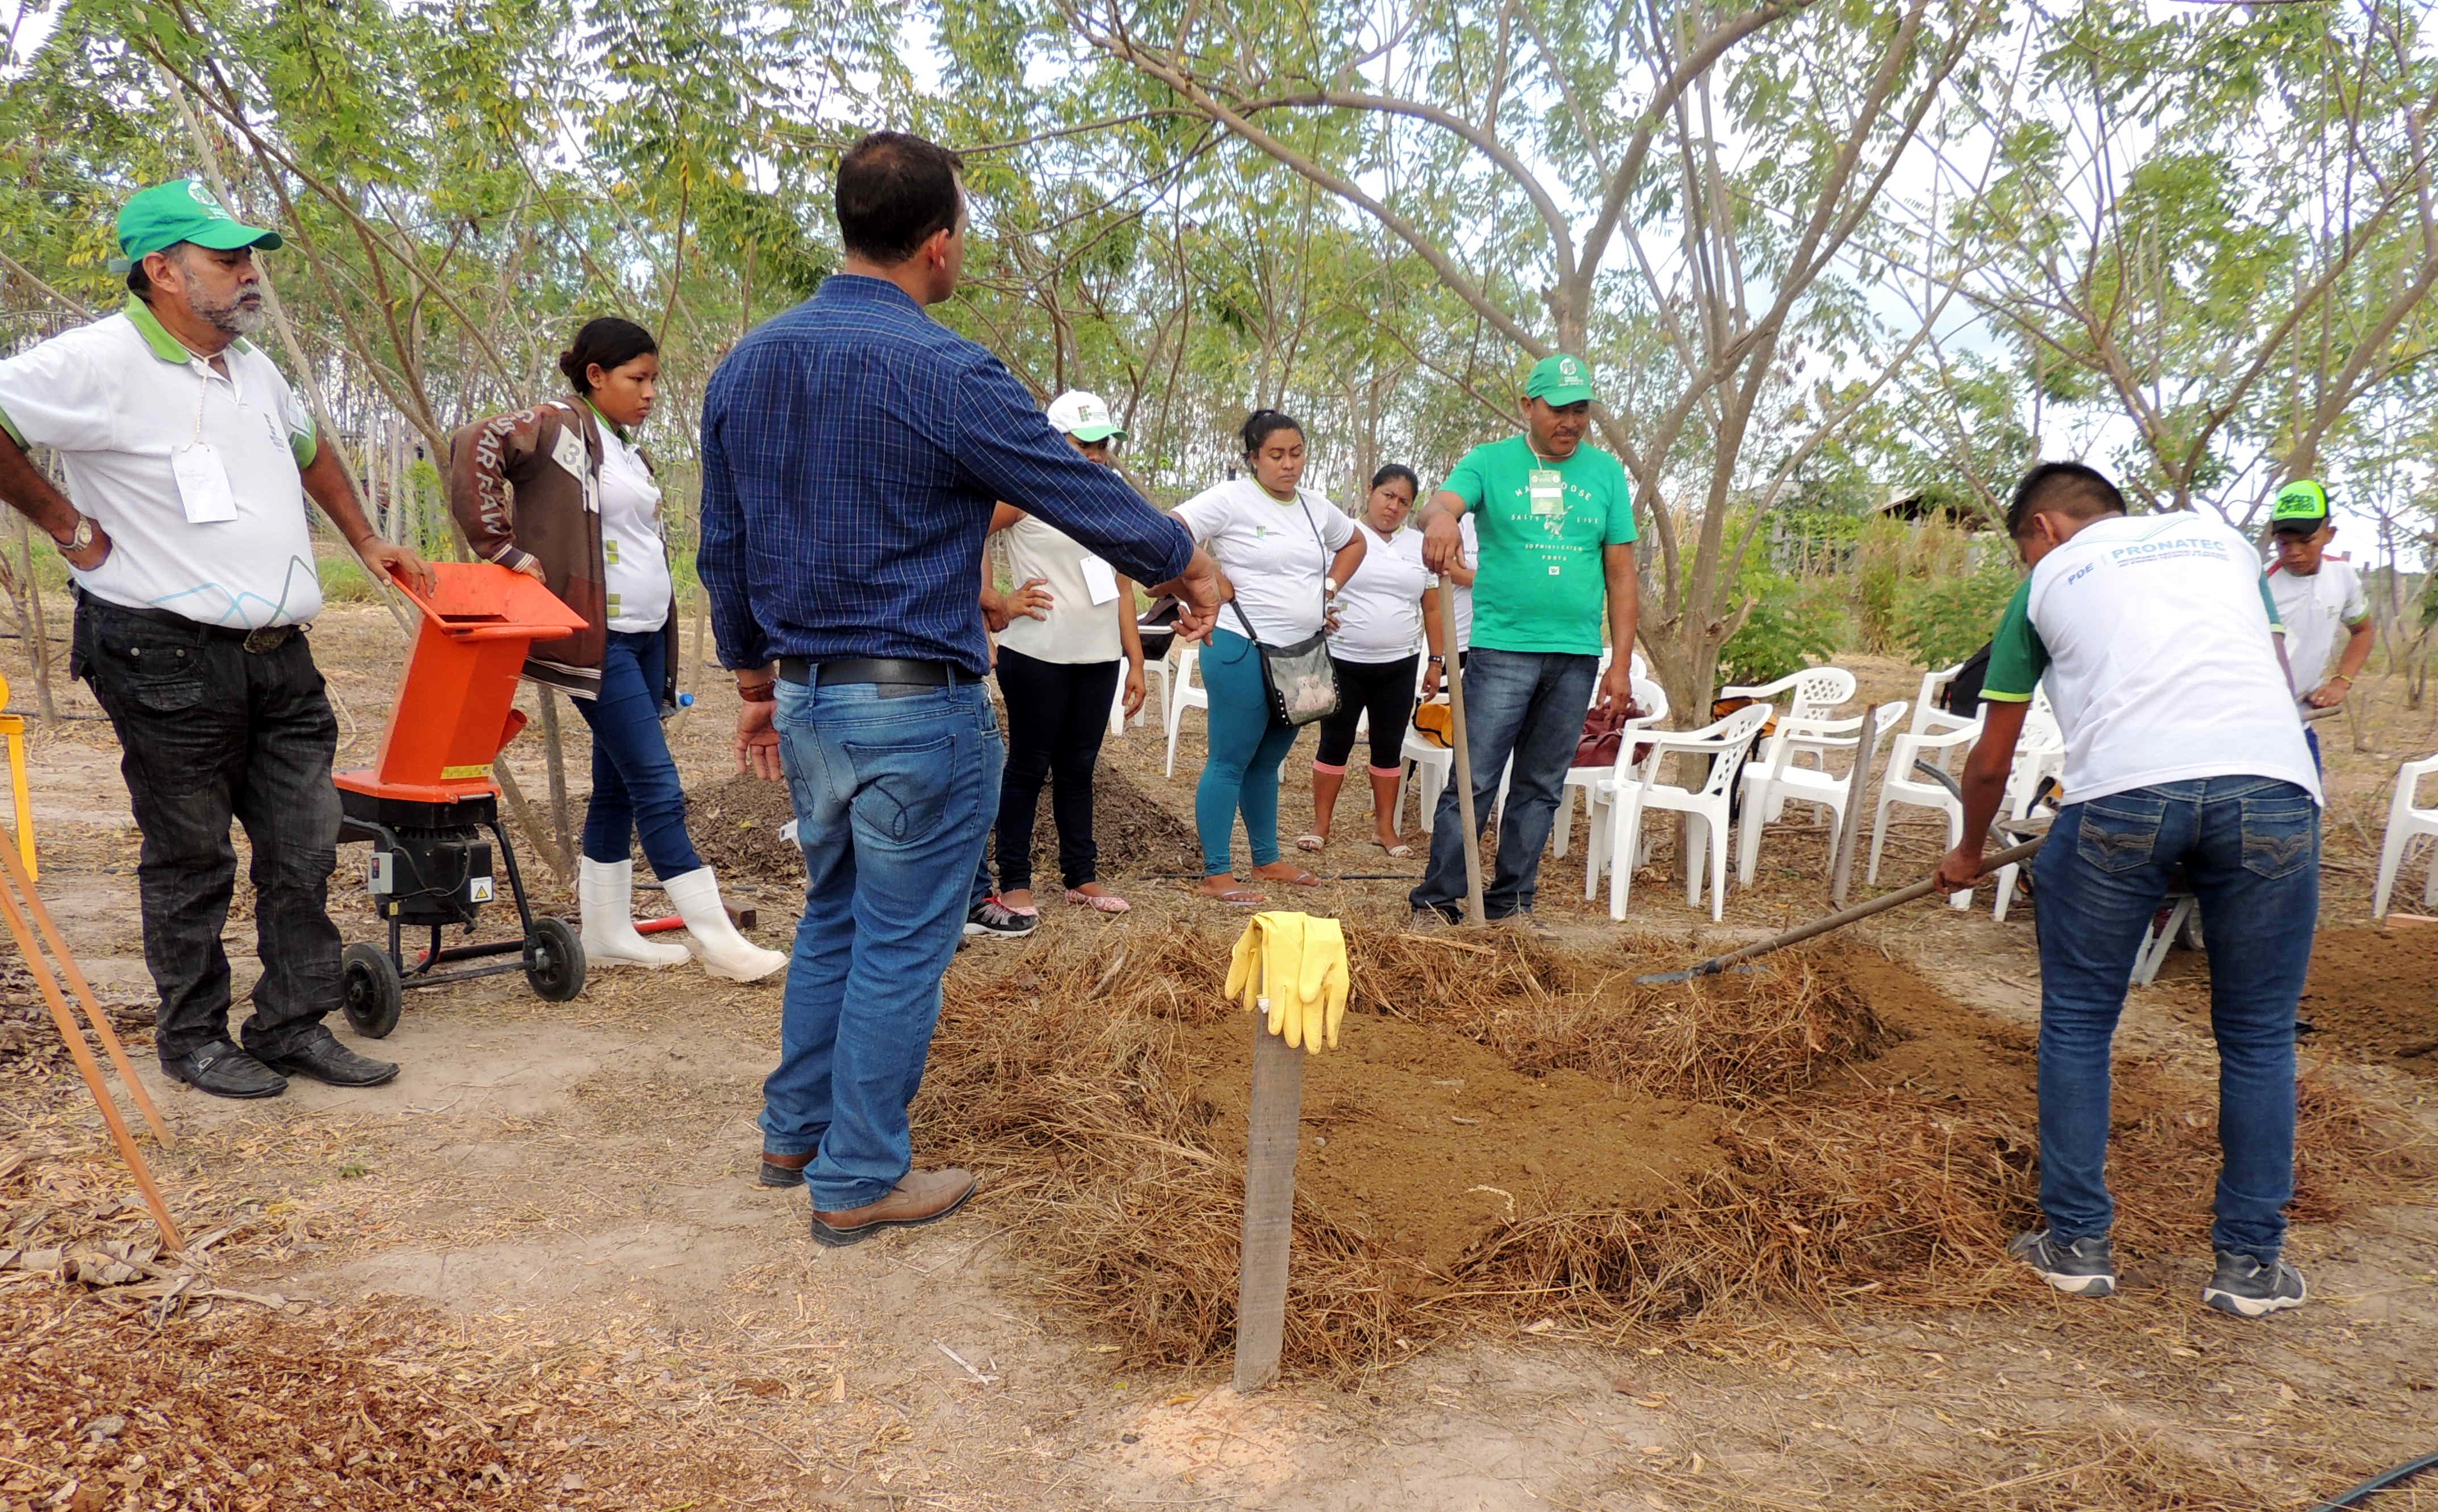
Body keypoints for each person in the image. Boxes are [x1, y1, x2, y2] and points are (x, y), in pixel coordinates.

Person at [697, 131, 1218, 1246]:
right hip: (912, 710)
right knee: (898, 941)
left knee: (833, 914)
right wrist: (1179, 555)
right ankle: (859, 1175)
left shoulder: (745, 366)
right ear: (939, 245)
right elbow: (1064, 484)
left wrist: (751, 675)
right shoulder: (945, 371)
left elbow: (723, 545)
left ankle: (792, 1131)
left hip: (807, 701)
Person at [0, 180, 435, 1099]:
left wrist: (364, 538)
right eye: (226, 260)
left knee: (305, 847)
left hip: (280, 652)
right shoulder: (98, 361)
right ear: (160, 270)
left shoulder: (256, 369)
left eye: (248, 260)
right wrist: (65, 526)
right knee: (193, 854)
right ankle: (193, 1037)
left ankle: (288, 1024)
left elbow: (312, 447)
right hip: (160, 652)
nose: (247, 276)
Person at [1933, 462, 2321, 1319]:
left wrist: (1964, 854)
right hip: (2273, 787)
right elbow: (2271, 684)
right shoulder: (2223, 549)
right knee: (2257, 1036)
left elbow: (1991, 760)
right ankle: (2250, 1266)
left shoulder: (2045, 582)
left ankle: (2074, 1244)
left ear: (2043, 532)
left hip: (2124, 796)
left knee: (2077, 1020)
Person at [449, 318, 783, 982]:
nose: (651, 391)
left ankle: (605, 930)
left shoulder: (625, 448)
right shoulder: (556, 427)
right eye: (638, 378)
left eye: (655, 377)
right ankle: (715, 937)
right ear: (595, 376)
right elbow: (474, 441)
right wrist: (501, 549)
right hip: (593, 639)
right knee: (659, 784)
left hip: (640, 638)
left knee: (618, 789)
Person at [1412, 355, 1639, 930]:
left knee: (1540, 786)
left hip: (1576, 656)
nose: (1571, 420)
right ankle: (1438, 903)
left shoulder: (1606, 474)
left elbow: (1621, 572)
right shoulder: (1490, 462)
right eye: (1558, 407)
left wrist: (1620, 664)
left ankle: (1513, 903)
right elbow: (1438, 503)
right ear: (1527, 406)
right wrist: (1439, 520)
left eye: (1580, 408)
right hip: (1503, 648)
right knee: (1475, 777)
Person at [966, 389, 1149, 934]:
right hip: (1037, 651)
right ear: (1054, 438)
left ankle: (1081, 877)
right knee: (1028, 765)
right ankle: (1015, 880)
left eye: (1102, 443)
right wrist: (994, 599)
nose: (1095, 453)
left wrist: (1134, 660)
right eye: (1083, 442)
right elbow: (967, 528)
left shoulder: (1110, 491)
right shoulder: (1025, 484)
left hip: (1097, 654)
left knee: (1079, 766)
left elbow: (1121, 579)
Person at [1173, 411, 1366, 904]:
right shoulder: (1230, 499)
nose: (1288, 465)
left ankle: (1266, 858)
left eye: (1296, 454)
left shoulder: (1316, 508)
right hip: (1241, 646)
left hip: (1301, 656)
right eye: (1276, 455)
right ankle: (1218, 871)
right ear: (1253, 458)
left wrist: (1328, 588)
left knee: (1269, 761)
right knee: (1230, 760)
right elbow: (1171, 529)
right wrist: (1209, 576)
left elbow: (1355, 542)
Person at [1300, 464, 1442, 857]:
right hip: (1343, 657)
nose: (1393, 507)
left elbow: (1432, 609)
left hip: (1399, 663)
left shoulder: (1419, 545)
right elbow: (1311, 586)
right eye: (1387, 496)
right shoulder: (1342, 535)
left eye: (1404, 502)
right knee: (1335, 740)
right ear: (1370, 491)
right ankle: (1320, 825)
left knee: (1388, 745)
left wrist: (1436, 660)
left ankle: (1386, 829)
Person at [2264, 478, 2373, 773]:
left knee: (2310, 806)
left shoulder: (2342, 576)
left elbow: (2363, 631)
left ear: (2329, 534)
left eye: (2306, 541)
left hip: (2300, 719)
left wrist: (2341, 681)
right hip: (2256, 722)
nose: (2294, 552)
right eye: (2284, 543)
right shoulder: (2260, 584)